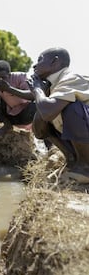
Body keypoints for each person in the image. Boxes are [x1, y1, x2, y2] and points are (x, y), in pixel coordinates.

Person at [29, 47, 89, 183]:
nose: (35, 65)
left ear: (54, 62)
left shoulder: (71, 78)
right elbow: (41, 125)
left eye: (40, 60)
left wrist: (37, 89)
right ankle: (73, 161)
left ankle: (86, 167)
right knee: (42, 116)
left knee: (72, 108)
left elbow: (48, 111)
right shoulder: (53, 85)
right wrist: (39, 91)